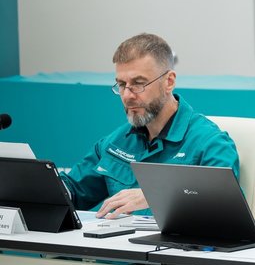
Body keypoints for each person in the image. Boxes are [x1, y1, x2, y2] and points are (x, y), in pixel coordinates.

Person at [60, 33, 239, 218]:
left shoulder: (210, 143)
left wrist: (156, 194)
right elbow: (72, 190)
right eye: (121, 84)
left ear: (169, 82)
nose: (127, 96)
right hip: (120, 237)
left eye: (138, 84)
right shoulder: (115, 143)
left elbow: (223, 206)